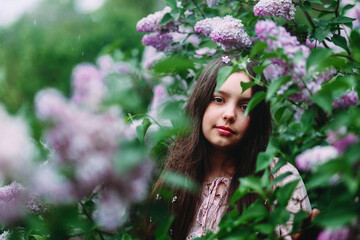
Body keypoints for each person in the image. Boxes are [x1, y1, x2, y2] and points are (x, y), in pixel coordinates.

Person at [147, 56, 313, 240]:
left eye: (244, 106)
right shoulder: (175, 178)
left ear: (256, 118)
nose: (229, 115)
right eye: (219, 99)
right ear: (200, 104)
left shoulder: (280, 179)